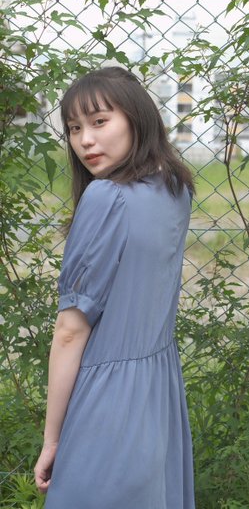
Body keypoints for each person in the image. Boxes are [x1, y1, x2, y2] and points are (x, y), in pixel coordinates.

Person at [34, 66, 196, 509]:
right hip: (157, 397)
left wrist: (52, 440)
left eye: (100, 121)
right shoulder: (175, 187)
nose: (85, 140)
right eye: (74, 128)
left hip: (106, 405)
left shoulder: (106, 197)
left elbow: (71, 332)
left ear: (136, 118)